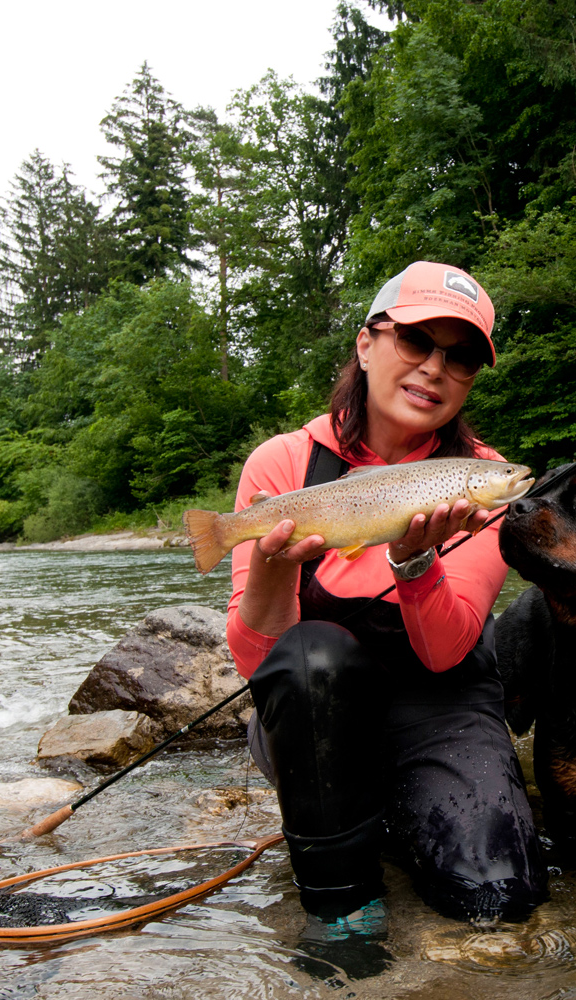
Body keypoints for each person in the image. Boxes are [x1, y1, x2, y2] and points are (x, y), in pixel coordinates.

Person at [224, 261, 546, 958]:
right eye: (415, 342)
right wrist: (275, 568)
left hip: (439, 701)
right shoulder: (283, 464)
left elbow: (444, 652)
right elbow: (260, 665)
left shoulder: (478, 484)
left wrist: (414, 564)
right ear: (366, 344)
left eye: (459, 357)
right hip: (315, 716)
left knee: (499, 896)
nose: (434, 368)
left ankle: (400, 819)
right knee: (312, 658)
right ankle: (342, 912)